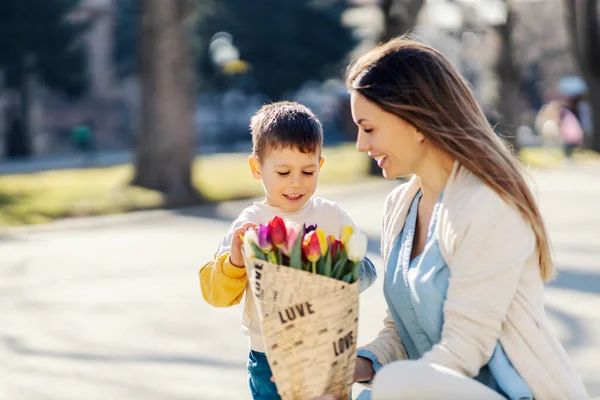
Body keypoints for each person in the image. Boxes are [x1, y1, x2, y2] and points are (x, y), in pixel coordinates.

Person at [316, 38, 588, 400]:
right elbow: (402, 329)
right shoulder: (400, 205)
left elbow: (464, 351)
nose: (361, 145)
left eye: (369, 128)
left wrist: (385, 392)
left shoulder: (488, 203)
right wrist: (354, 366)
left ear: (414, 120)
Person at [199, 101, 377, 400]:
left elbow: (367, 271)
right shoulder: (250, 225)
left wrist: (331, 274)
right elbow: (215, 294)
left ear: (320, 164)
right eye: (283, 172)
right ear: (257, 168)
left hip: (326, 352)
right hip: (270, 358)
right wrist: (235, 263)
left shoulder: (331, 216)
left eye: (308, 171)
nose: (296, 182)